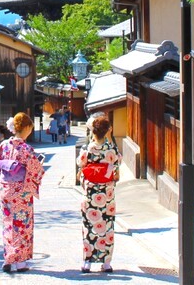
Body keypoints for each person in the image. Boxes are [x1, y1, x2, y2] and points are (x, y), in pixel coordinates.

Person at [0, 112, 45, 273]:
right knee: (22, 224)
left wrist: (7, 167)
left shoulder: (3, 145)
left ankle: (8, 259)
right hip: (21, 191)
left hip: (6, 189)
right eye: (30, 128)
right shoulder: (26, 149)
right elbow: (36, 170)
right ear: (27, 127)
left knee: (8, 224)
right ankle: (20, 262)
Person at [77, 116, 121, 273]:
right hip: (107, 194)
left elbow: (80, 164)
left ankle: (87, 261)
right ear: (108, 130)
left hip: (90, 192)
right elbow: (116, 166)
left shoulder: (86, 149)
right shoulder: (112, 149)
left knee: (89, 226)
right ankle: (106, 262)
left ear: (92, 131)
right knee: (107, 226)